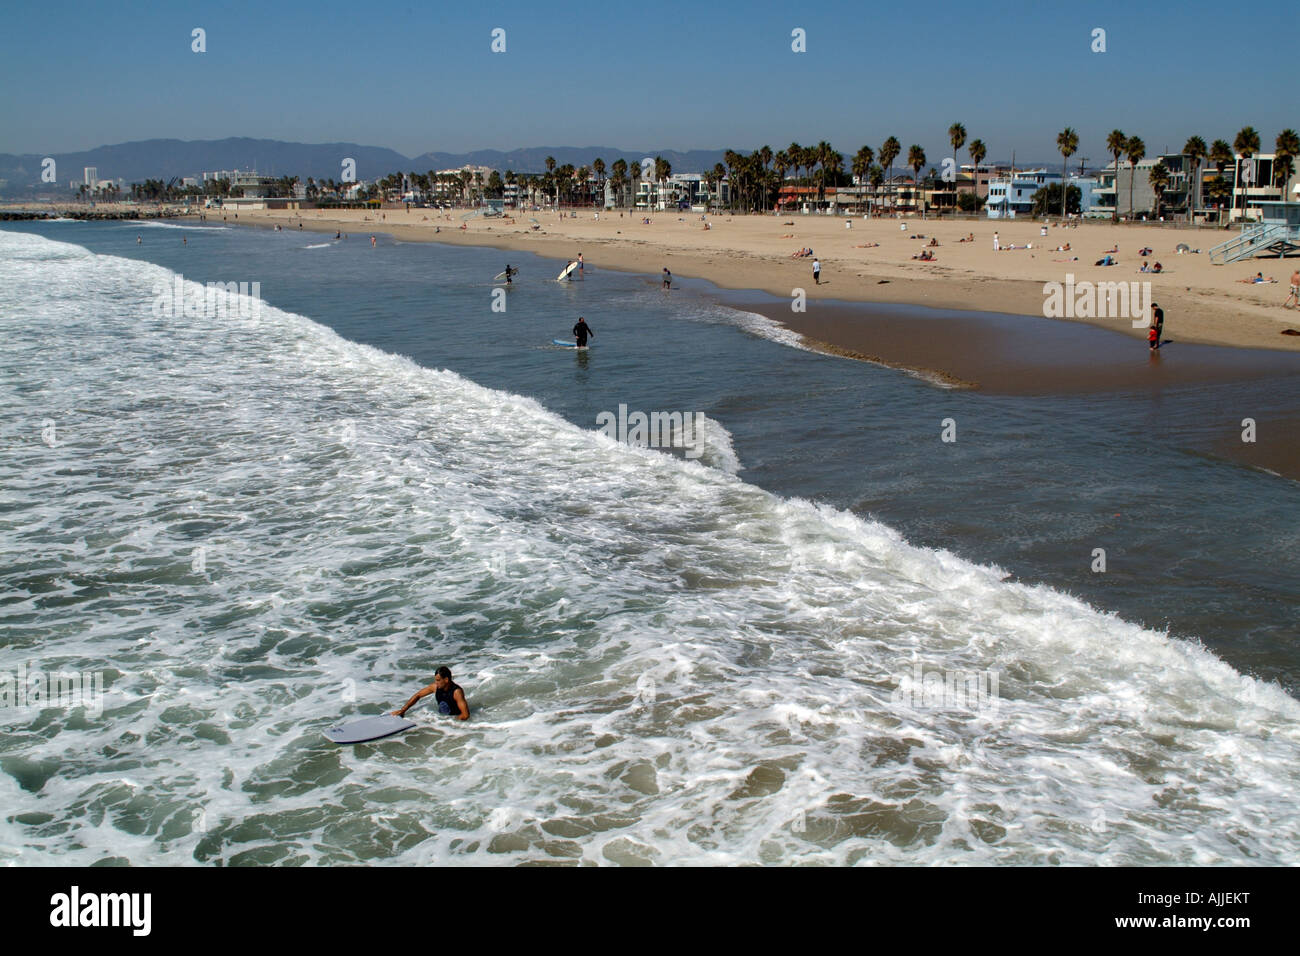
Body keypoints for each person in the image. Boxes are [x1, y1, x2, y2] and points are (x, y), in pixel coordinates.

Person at [392, 666, 469, 721]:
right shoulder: (435, 687)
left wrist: (450, 722)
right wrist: (403, 710)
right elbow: (418, 695)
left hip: (453, 722)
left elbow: (465, 715)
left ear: (446, 680)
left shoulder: (457, 692)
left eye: (438, 680)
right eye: (435, 680)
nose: (436, 682)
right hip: (441, 719)